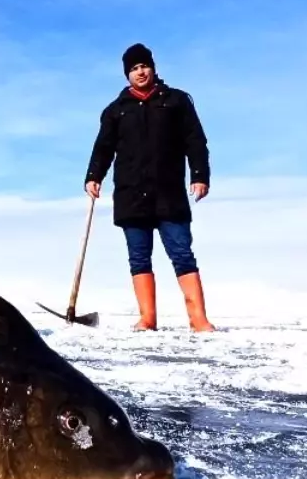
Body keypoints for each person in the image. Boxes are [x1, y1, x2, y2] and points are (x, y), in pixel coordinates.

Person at [84, 42, 215, 332]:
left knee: (182, 253)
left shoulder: (177, 101)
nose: (140, 72)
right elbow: (103, 148)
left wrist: (199, 175)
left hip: (169, 192)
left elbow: (195, 141)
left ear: (153, 68)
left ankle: (199, 319)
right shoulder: (116, 111)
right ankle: (147, 319)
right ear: (126, 75)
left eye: (144, 66)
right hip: (131, 194)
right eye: (134, 69)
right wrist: (94, 176)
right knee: (139, 258)